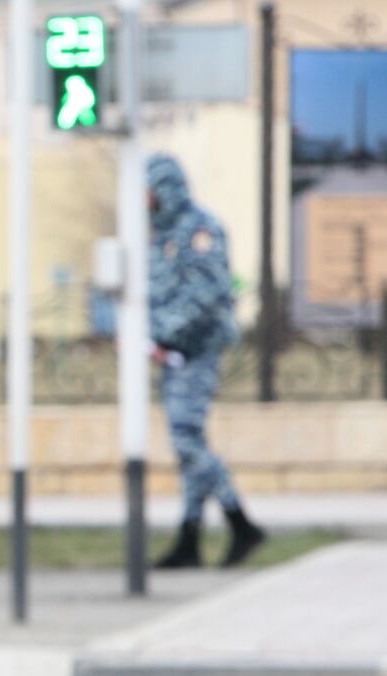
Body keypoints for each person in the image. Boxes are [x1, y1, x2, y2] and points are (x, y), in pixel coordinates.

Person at [146, 153, 266, 568]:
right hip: (172, 353)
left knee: (187, 440)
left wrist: (164, 334)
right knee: (187, 444)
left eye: (148, 190)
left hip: (197, 350)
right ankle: (190, 536)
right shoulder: (159, 233)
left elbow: (208, 293)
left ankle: (240, 522)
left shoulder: (200, 229)